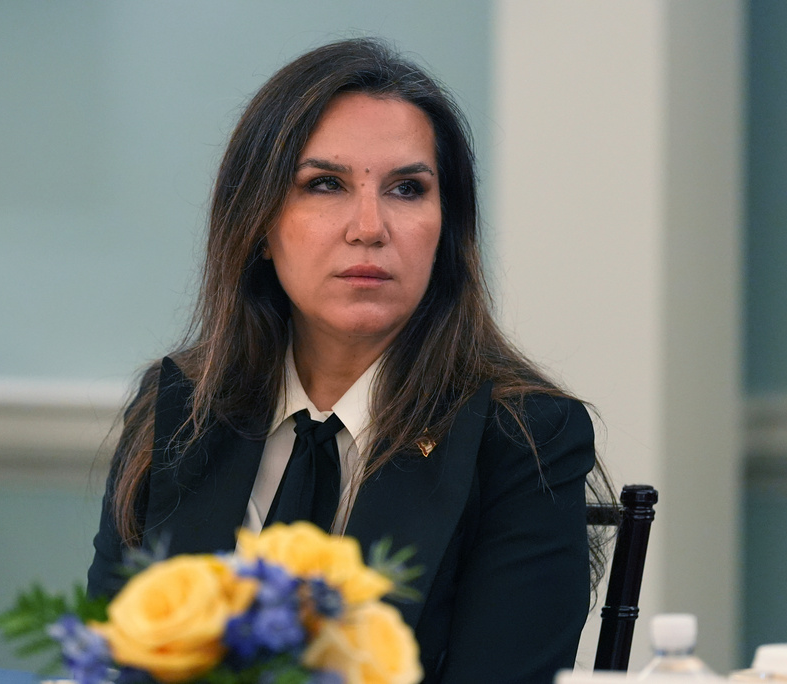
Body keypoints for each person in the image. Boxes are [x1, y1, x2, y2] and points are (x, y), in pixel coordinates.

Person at [88, 37, 611, 683]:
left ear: (446, 230)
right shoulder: (179, 408)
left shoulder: (523, 436)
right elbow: (113, 662)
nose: (369, 226)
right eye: (325, 184)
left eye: (407, 189)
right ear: (258, 226)